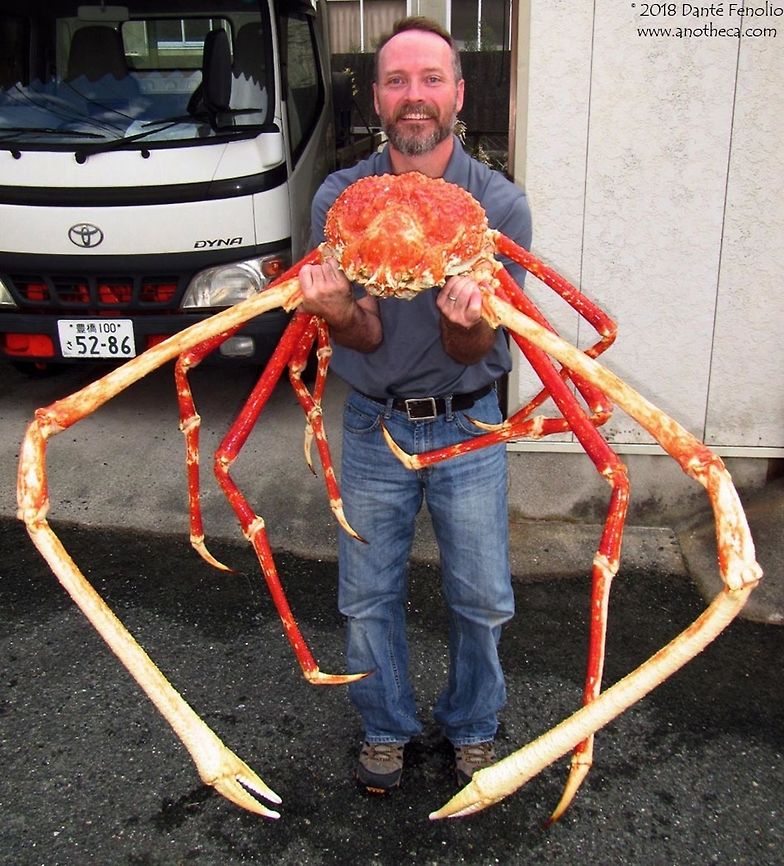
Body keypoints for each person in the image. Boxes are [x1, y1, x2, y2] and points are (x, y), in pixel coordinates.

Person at [298, 16, 533, 793]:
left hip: (471, 421)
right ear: (376, 97)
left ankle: (473, 725)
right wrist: (336, 310)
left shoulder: (496, 208)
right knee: (366, 597)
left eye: (431, 78)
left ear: (459, 94)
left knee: (482, 599)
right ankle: (385, 726)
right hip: (373, 423)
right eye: (397, 80)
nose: (415, 95)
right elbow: (360, 333)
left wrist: (464, 324)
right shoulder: (343, 200)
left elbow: (478, 351)